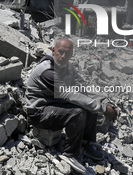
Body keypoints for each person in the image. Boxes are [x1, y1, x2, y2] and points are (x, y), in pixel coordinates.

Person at [25, 38, 120, 174]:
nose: (63, 56)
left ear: (71, 55)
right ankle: (70, 154)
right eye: (60, 52)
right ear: (53, 51)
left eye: (67, 54)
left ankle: (86, 143)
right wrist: (103, 109)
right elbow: (69, 95)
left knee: (88, 105)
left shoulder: (67, 67)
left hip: (55, 106)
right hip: (39, 113)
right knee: (78, 112)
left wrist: (105, 101)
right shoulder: (47, 71)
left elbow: (83, 87)